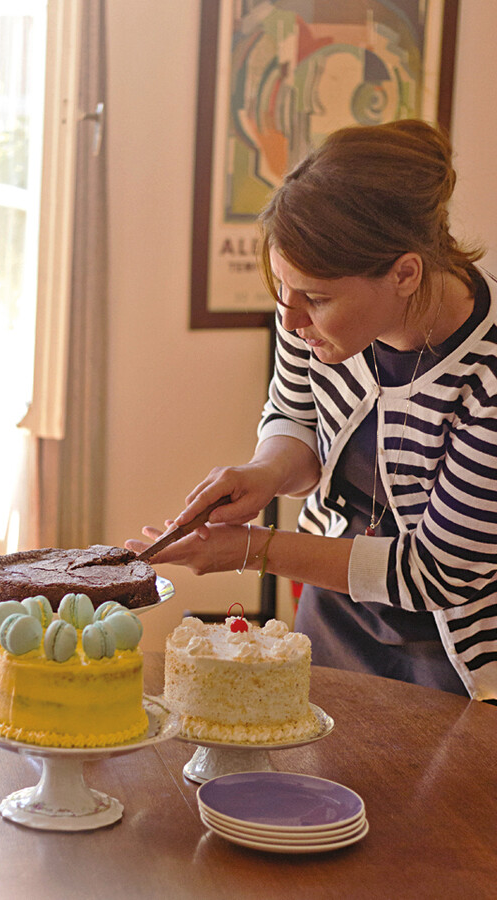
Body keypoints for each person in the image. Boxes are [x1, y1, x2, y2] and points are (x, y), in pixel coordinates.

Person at [125, 119, 497, 703]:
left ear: (405, 273)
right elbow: (297, 418)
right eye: (282, 291)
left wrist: (252, 549)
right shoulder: (306, 309)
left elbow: (435, 573)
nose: (292, 320)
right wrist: (265, 473)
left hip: (455, 662)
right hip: (332, 620)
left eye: (317, 299)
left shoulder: (488, 376)